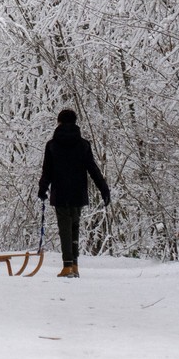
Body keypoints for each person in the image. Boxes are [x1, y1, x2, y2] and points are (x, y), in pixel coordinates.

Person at [37, 108, 110, 278]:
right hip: (78, 192)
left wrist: (42, 189)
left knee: (65, 228)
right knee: (74, 227)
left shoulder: (52, 145)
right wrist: (103, 189)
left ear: (59, 122)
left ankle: (67, 266)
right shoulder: (83, 145)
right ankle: (75, 265)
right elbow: (93, 169)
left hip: (60, 192)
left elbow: (47, 171)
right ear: (75, 122)